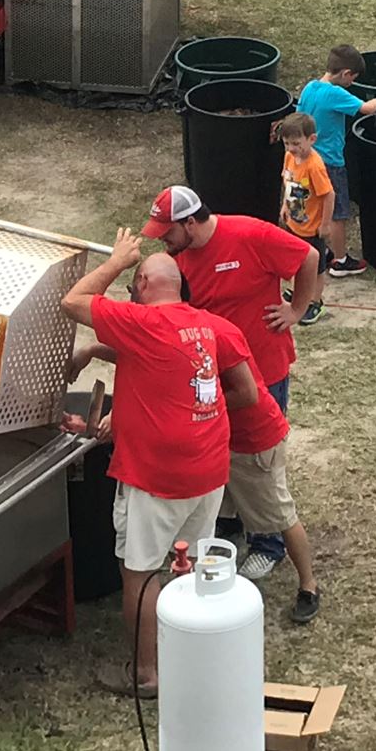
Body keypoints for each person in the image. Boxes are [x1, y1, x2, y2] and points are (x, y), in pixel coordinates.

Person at [58, 228, 261, 696]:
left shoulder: (142, 323)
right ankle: (193, 655)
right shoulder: (210, 327)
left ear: (145, 285)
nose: (129, 294)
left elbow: (73, 301)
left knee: (143, 575)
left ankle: (148, 674)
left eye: (133, 286)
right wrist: (190, 412)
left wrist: (116, 260)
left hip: (158, 478)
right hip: (208, 472)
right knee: (188, 567)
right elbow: (245, 391)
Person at [141, 184, 320, 573]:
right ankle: (232, 519)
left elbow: (309, 256)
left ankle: (267, 542)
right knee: (220, 445)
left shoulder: (249, 234)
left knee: (258, 458)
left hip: (265, 370)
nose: (164, 243)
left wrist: (297, 309)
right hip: (214, 374)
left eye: (167, 233)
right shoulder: (180, 258)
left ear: (190, 222)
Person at [298, 48, 376, 275]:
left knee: (315, 208)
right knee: (337, 212)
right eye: (353, 78)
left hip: (308, 160)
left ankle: (320, 250)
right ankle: (340, 260)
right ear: (346, 74)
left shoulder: (309, 88)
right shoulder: (336, 94)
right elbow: (366, 109)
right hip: (331, 162)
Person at [273, 113, 334, 319]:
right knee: (295, 260)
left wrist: (325, 225)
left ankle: (315, 301)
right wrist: (284, 205)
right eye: (287, 143)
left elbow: (328, 195)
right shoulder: (290, 156)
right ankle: (297, 290)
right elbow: (287, 181)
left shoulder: (314, 166)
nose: (291, 148)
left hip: (312, 227)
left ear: (311, 139)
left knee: (316, 267)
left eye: (296, 143)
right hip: (294, 222)